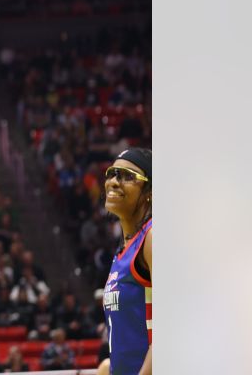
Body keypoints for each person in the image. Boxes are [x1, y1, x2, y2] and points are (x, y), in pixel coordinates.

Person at [100, 147, 152, 374]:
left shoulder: (152, 237)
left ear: (150, 191)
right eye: (112, 173)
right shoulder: (123, 250)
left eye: (128, 176)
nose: (114, 181)